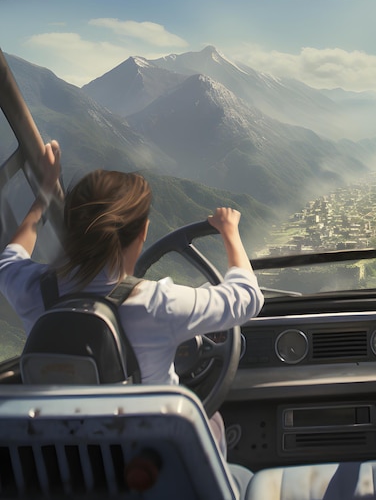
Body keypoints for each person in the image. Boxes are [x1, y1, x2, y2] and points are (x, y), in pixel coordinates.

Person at [0, 140, 263, 495]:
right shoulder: (158, 304)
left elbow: (10, 256)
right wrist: (230, 232)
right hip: (154, 472)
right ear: (142, 233)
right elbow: (246, 299)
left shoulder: (33, 290)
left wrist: (44, 193)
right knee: (213, 425)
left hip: (71, 475)